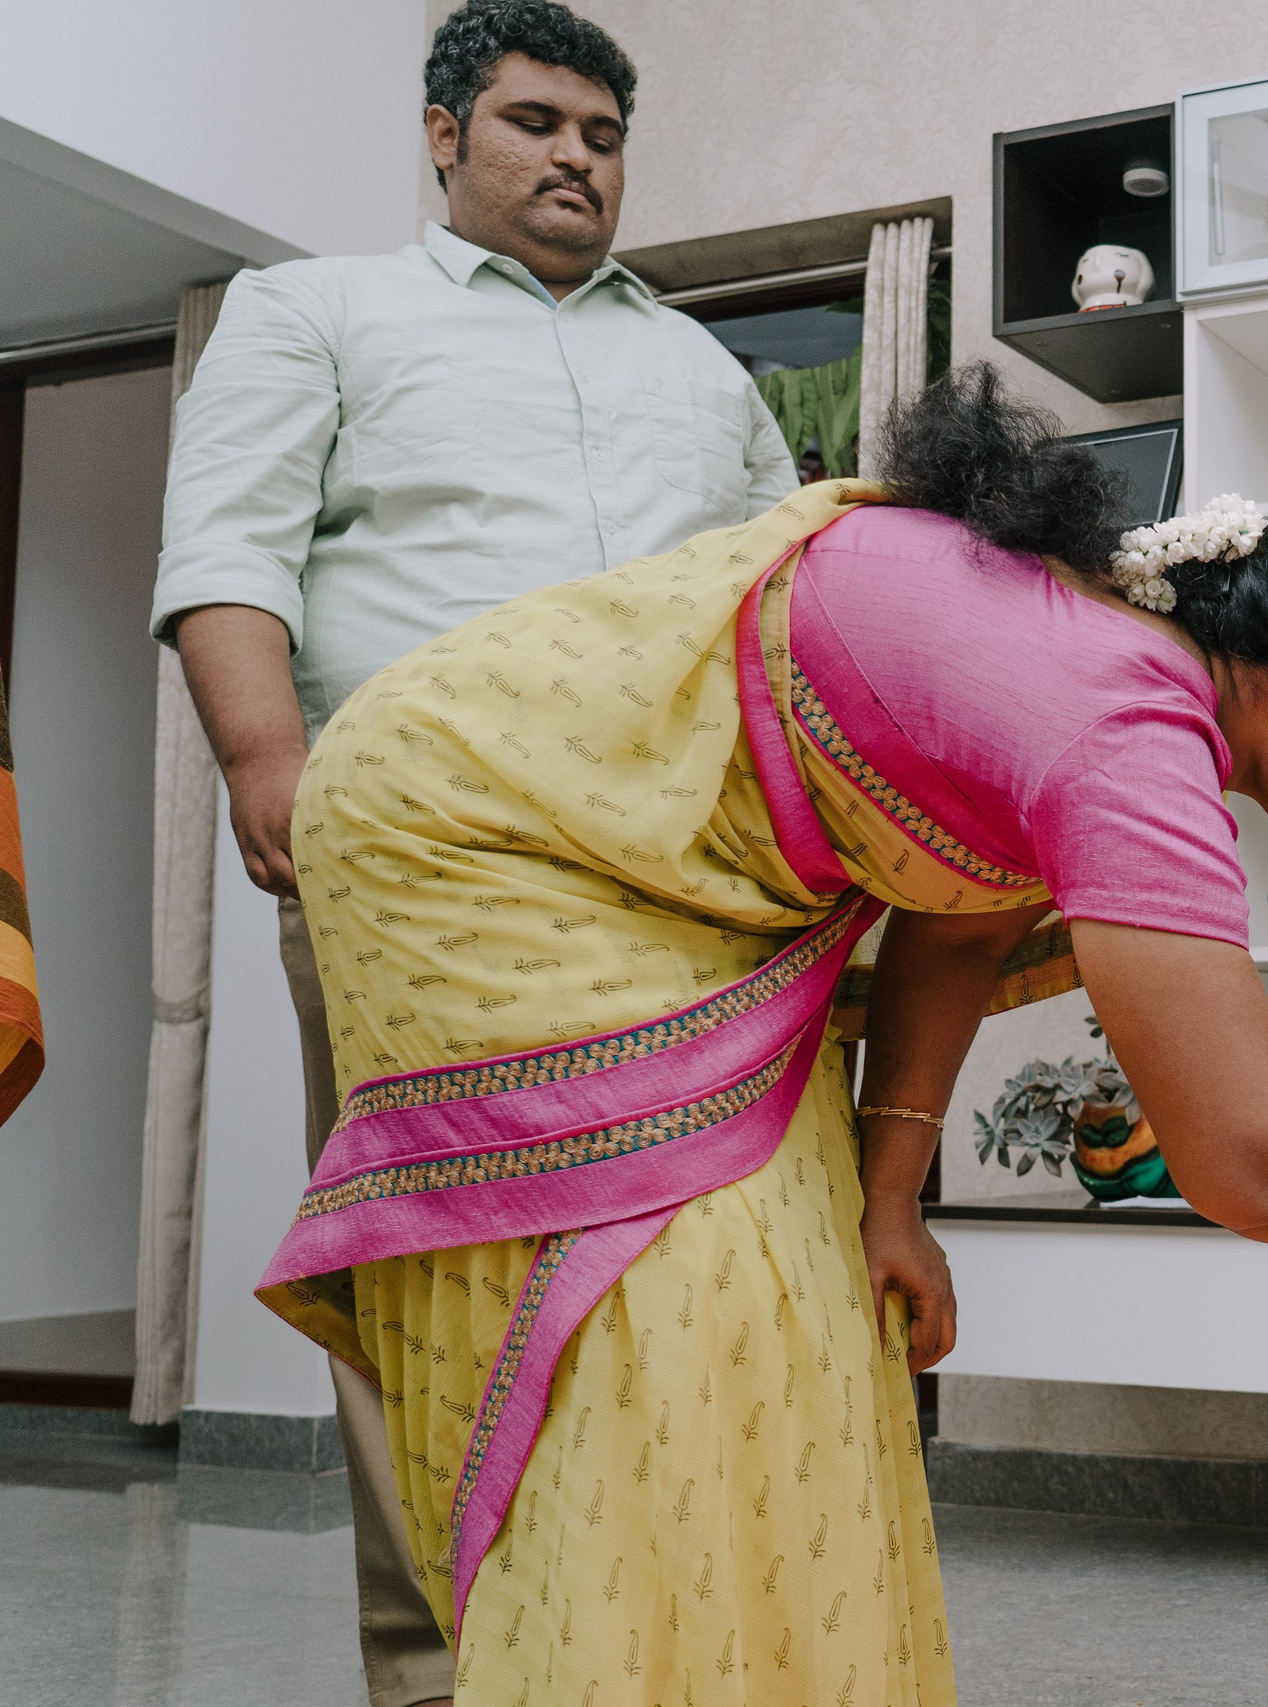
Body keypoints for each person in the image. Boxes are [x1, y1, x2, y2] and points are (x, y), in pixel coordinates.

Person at [251, 363, 1268, 1705]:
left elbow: (962, 909)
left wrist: (892, 1191)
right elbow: (1261, 1165)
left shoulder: (1119, 653)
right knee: (676, 1345)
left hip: (657, 883)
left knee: (818, 1336)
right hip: (472, 837)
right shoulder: (1129, 734)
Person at [151, 5, 796, 1703]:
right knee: (431, 1264)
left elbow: (781, 615)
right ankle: (443, 1677)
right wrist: (263, 755)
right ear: (444, 137)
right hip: (418, 868)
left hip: (678, 888)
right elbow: (230, 546)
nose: (575, 155)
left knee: (667, 1275)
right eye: (534, 122)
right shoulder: (315, 310)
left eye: (601, 132)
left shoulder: (703, 369)